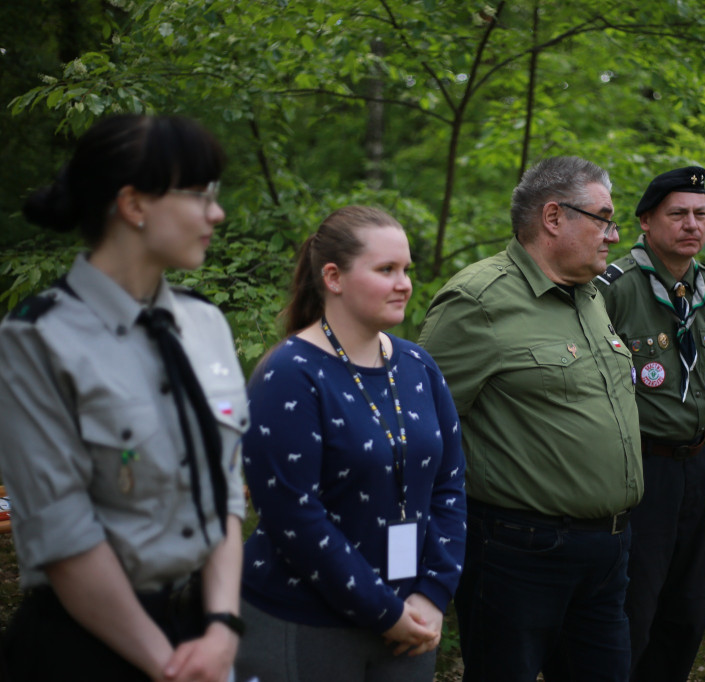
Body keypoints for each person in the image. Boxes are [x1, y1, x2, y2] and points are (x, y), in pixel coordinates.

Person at [0, 114, 248, 681]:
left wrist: (221, 630)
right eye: (200, 194)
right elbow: (65, 537)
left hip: (207, 640)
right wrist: (171, 670)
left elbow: (225, 492)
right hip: (93, 649)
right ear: (134, 205)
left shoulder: (205, 324)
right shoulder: (38, 339)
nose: (217, 213)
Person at [418, 156, 643, 682]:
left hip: (608, 551)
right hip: (520, 553)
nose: (613, 235)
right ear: (553, 217)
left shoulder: (591, 295)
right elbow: (424, 428)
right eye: (603, 218)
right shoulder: (478, 301)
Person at [235, 206, 467, 682]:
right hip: (308, 620)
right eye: (386, 270)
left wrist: (432, 593)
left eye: (406, 270)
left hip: (412, 621)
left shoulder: (418, 366)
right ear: (334, 277)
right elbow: (294, 515)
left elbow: (449, 485)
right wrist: (384, 612)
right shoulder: (290, 375)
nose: (404, 283)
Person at [595, 166, 705, 680]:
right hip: (639, 469)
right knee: (635, 610)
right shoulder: (614, 288)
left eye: (700, 214)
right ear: (646, 221)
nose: (692, 225)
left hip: (694, 466)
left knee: (687, 613)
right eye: (678, 214)